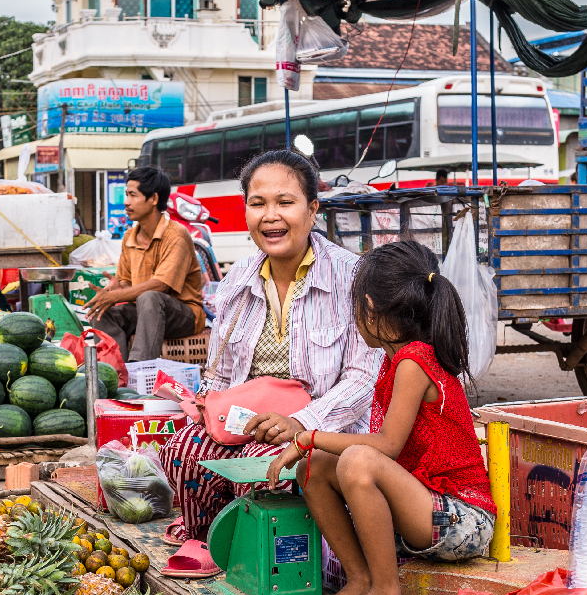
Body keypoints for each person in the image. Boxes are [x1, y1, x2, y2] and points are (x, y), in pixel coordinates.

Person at [266, 239, 495, 595]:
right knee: (315, 467)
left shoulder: (414, 360)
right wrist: (312, 446)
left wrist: (308, 436)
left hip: (462, 518)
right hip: (426, 505)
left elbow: (386, 446)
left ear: (370, 307)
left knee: (355, 458)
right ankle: (360, 582)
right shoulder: (396, 359)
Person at [160, 150, 382, 542]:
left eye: (285, 202)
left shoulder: (355, 278)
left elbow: (365, 379)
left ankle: (265, 553)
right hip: (249, 422)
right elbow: (222, 372)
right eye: (257, 203)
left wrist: (303, 423)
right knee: (183, 449)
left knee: (262, 466)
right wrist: (207, 403)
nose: (270, 216)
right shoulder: (236, 283)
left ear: (312, 210)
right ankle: (207, 538)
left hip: (326, 431)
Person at [86, 167, 205, 362]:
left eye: (133, 195)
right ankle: (117, 374)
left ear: (154, 199)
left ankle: (139, 369)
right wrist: (116, 289)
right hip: (145, 312)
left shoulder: (176, 235)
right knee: (102, 315)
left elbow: (161, 285)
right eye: (126, 195)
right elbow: (126, 281)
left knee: (150, 297)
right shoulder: (128, 237)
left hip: (185, 315)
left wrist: (117, 295)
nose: (126, 202)